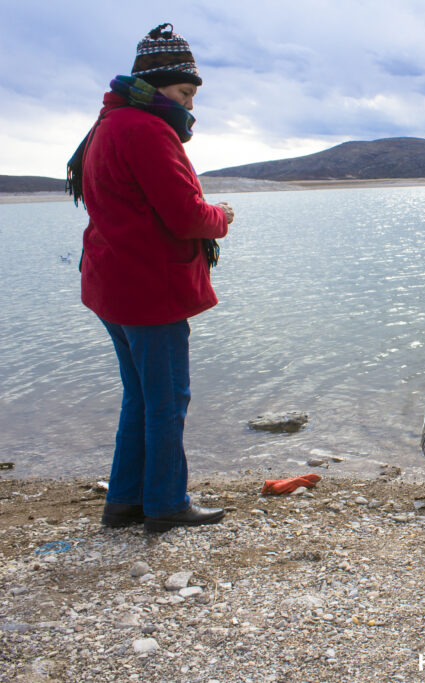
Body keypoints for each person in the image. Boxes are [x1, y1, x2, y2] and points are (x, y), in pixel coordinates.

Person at [68, 23, 234, 532]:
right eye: (185, 92)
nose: (190, 105)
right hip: (147, 290)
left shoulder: (109, 124)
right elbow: (184, 215)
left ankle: (124, 502)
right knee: (167, 399)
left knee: (140, 396)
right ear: (157, 85)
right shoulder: (144, 129)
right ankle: (164, 503)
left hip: (114, 285)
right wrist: (221, 217)